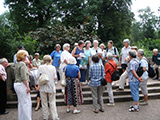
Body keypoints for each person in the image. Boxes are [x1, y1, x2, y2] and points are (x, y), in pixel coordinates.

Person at [37, 55, 59, 120]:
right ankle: (54, 117)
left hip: (42, 87)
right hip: (51, 87)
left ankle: (45, 117)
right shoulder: (53, 67)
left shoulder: (40, 67)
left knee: (44, 103)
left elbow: (37, 77)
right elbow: (55, 78)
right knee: (52, 102)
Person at [14, 50, 32, 120]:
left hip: (16, 84)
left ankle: (21, 118)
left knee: (21, 103)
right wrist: (27, 87)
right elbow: (24, 77)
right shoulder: (22, 64)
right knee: (26, 103)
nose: (26, 57)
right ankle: (27, 118)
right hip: (21, 84)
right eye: (25, 56)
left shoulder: (17, 64)